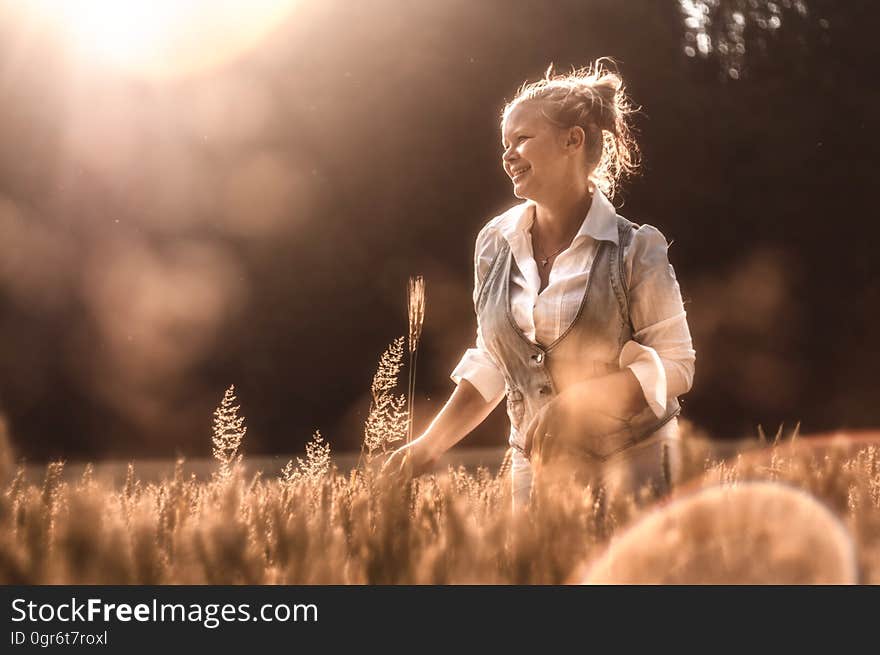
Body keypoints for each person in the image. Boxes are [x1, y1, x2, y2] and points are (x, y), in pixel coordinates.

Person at [382, 60, 695, 510]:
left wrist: (584, 401)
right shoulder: (493, 244)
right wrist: (427, 446)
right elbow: (496, 363)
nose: (507, 155)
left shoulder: (637, 249)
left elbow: (677, 365)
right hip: (537, 472)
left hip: (638, 465)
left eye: (522, 139)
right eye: (505, 144)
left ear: (573, 140)